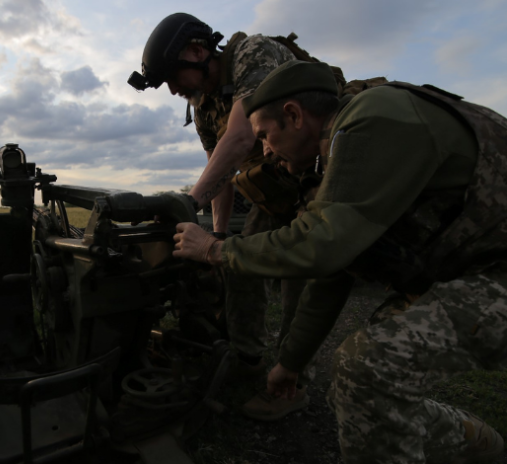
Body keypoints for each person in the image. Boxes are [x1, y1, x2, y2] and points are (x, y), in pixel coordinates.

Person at [172, 60, 506, 463]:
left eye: (265, 135)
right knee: (358, 385)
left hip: (492, 268)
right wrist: (291, 364)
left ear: (294, 116)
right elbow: (334, 269)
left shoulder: (370, 118)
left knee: (367, 370)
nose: (265, 151)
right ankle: (474, 441)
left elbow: (323, 245)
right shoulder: (339, 153)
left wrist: (214, 249)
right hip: (474, 266)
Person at [129, 13, 325, 420]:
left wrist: (185, 205)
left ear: (198, 52)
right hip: (274, 189)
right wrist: (215, 239)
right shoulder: (204, 109)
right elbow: (224, 176)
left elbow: (239, 138)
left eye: (173, 77)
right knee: (237, 262)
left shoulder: (254, 54)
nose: (172, 90)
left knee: (299, 281)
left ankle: (291, 384)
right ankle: (248, 359)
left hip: (319, 176)